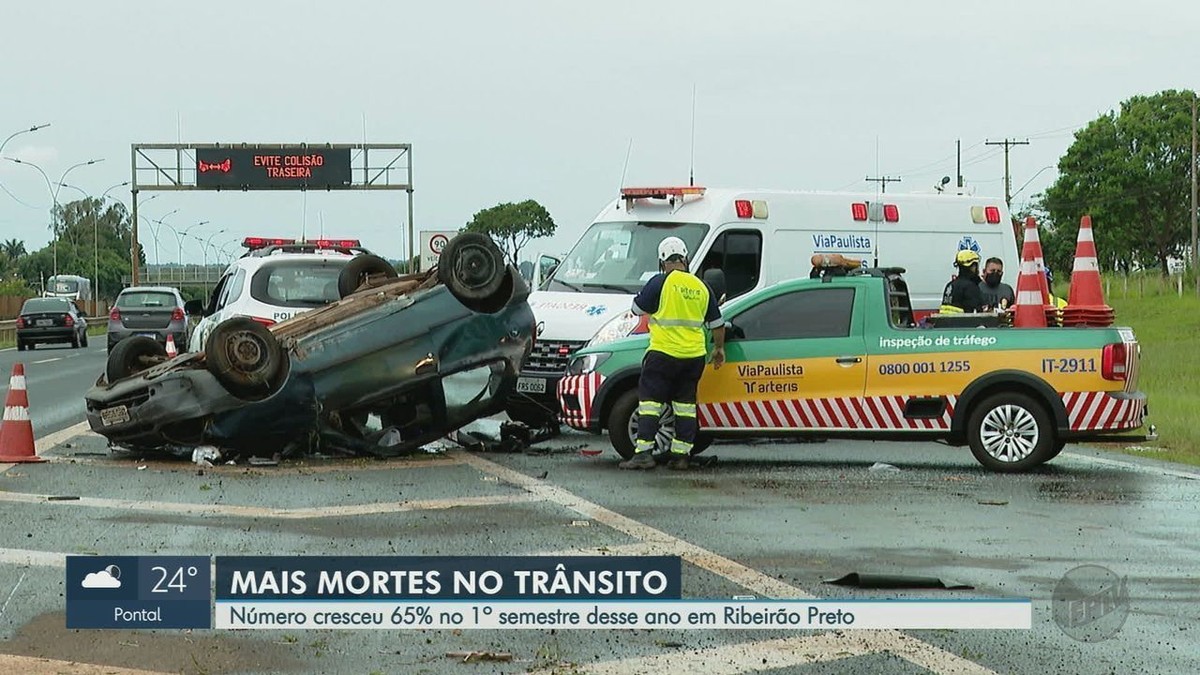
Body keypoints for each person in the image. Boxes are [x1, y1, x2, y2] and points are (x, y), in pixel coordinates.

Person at [619, 237, 725, 471]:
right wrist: (718, 349)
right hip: (693, 357)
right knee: (685, 405)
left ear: (662, 261)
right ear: (685, 259)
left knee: (650, 404)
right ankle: (680, 456)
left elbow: (637, 309)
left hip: (663, 354)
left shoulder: (660, 282)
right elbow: (718, 324)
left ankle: (643, 454)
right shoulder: (701, 287)